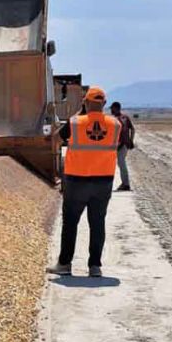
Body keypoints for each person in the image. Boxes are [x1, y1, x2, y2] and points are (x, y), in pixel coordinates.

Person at [47, 86, 121, 278]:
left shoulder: (74, 123)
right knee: (97, 223)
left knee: (70, 223)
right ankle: (95, 266)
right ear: (104, 104)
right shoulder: (115, 125)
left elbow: (56, 138)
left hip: (76, 182)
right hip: (103, 182)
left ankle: (64, 264)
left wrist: (81, 113)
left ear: (85, 103)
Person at [110, 101, 135, 191]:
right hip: (124, 144)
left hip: (120, 145)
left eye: (112, 108)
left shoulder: (116, 119)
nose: (111, 110)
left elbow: (121, 131)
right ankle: (124, 183)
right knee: (121, 163)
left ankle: (126, 184)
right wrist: (131, 140)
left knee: (121, 163)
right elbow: (132, 129)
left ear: (116, 108)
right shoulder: (125, 117)